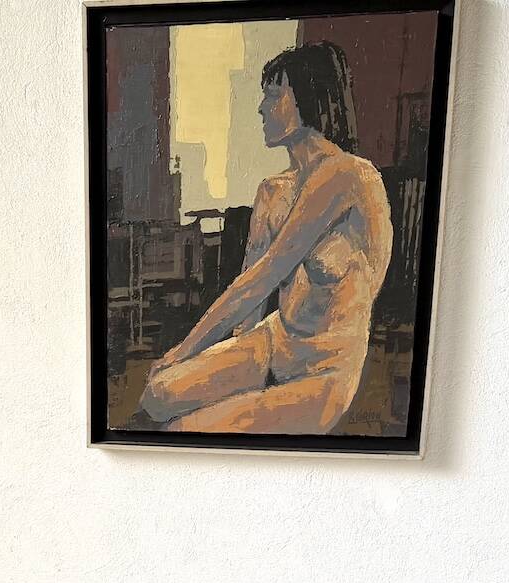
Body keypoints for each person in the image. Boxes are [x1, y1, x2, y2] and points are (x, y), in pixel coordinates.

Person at [140, 41, 393, 434]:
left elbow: (262, 279)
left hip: (323, 369)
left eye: (274, 95)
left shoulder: (348, 176)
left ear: (309, 98)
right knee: (158, 393)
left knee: (184, 430)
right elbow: (250, 291)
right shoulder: (272, 190)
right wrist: (231, 360)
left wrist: (184, 350)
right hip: (275, 343)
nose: (260, 107)